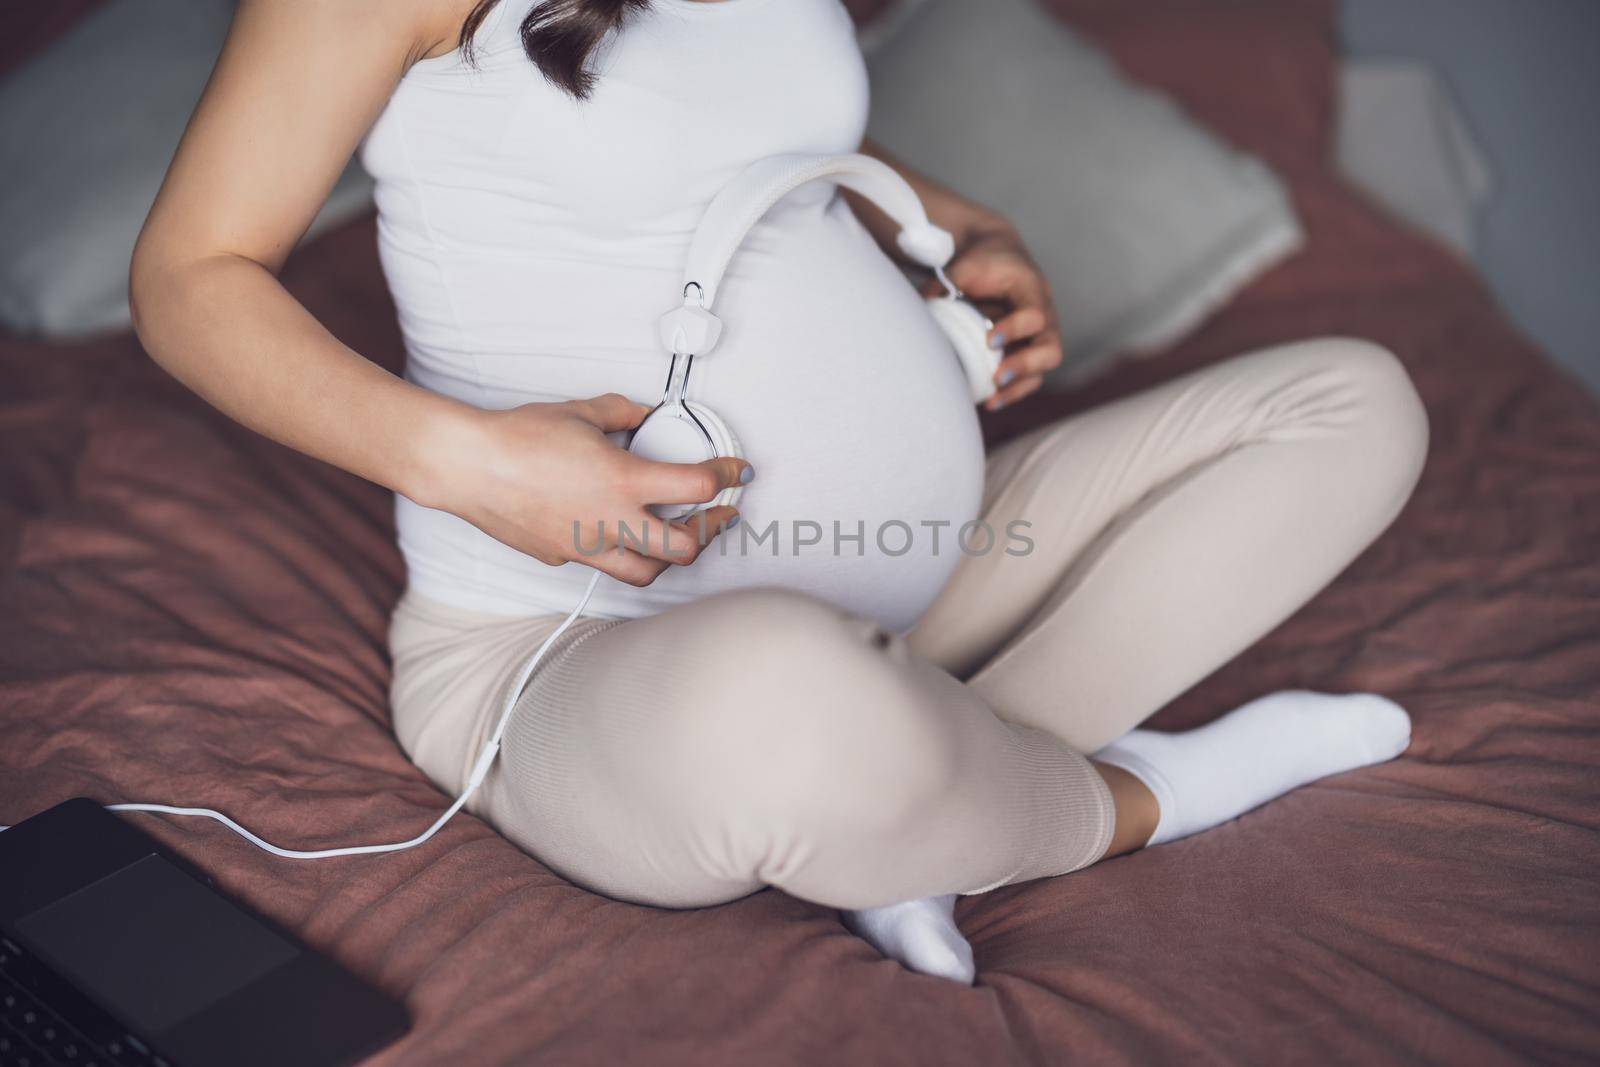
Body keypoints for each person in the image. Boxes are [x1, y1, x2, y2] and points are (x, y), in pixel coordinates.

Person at [130, 0, 1429, 984]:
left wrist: (943, 218)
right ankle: (1131, 797)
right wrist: (473, 465)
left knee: (1356, 402)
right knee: (780, 693)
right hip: (584, 651)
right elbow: (189, 277)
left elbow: (733, 126)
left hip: (915, 575)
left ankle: (919, 809)